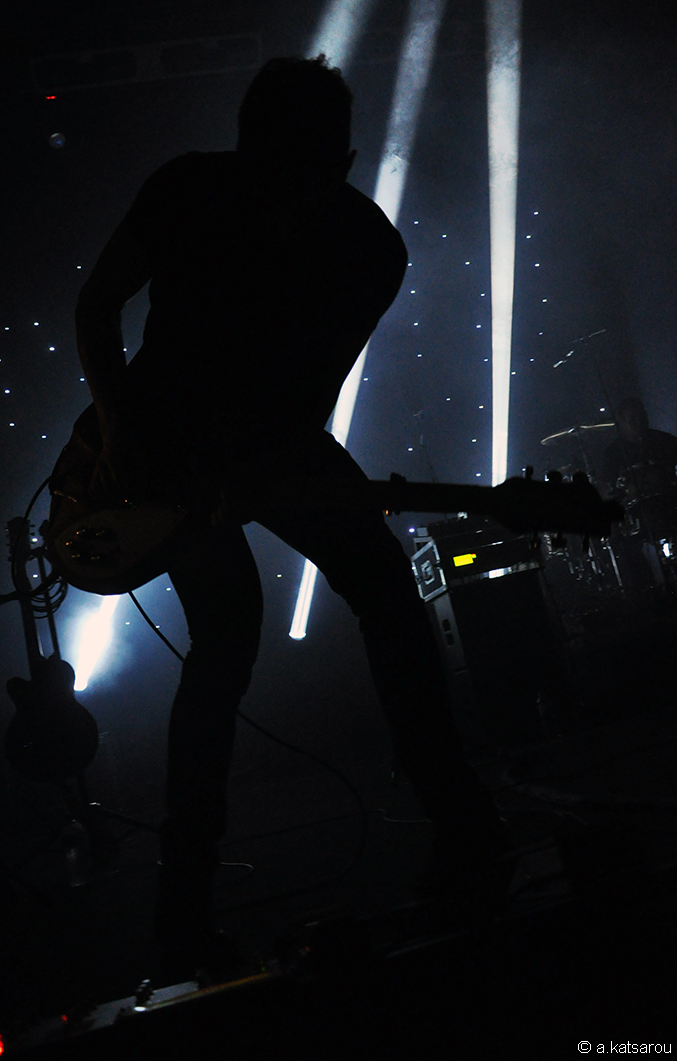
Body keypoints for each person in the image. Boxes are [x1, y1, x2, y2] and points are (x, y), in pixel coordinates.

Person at [74, 55, 510, 982]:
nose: (284, 199)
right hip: (166, 442)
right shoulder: (197, 193)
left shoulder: (364, 250)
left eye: (299, 178)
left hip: (264, 438)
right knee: (238, 631)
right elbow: (96, 308)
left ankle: (458, 832)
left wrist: (236, 472)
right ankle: (186, 908)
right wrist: (121, 431)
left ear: (336, 165)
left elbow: (301, 400)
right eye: (274, 172)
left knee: (353, 600)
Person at [602, 397, 677, 589]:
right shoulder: (613, 453)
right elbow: (610, 490)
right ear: (622, 422)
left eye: (641, 417)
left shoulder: (665, 441)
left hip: (669, 504)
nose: (639, 423)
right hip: (638, 515)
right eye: (632, 419)